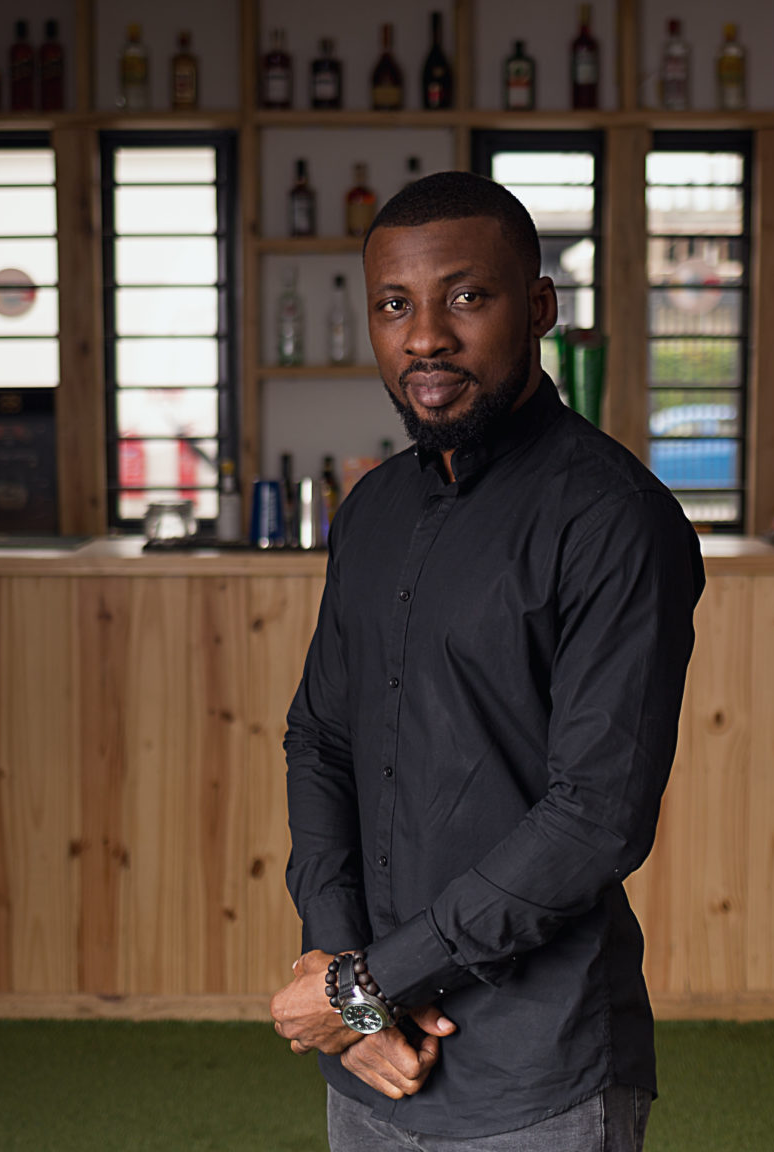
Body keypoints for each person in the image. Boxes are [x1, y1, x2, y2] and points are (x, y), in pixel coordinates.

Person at [269, 171, 705, 1150]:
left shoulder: (618, 521)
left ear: (539, 308)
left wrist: (369, 985)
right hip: (370, 1064)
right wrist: (341, 966)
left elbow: (595, 817)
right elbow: (321, 740)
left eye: (466, 296)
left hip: (537, 1076)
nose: (425, 336)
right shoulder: (371, 511)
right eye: (395, 305)